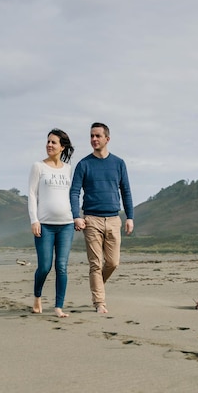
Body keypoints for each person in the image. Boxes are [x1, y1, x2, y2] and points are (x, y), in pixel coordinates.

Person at [70, 122, 134, 314]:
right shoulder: (84, 164)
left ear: (107, 138)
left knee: (113, 263)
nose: (94, 139)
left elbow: (126, 191)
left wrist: (130, 217)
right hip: (91, 220)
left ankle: (97, 286)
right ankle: (100, 302)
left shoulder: (119, 163)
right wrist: (76, 216)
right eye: (91, 136)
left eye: (98, 136)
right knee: (95, 264)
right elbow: (74, 192)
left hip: (114, 219)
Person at [28, 128, 75, 318]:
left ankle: (58, 307)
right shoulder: (38, 166)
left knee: (62, 266)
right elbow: (32, 195)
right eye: (48, 141)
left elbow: (74, 195)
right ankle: (37, 296)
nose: (49, 145)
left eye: (53, 142)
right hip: (45, 225)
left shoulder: (69, 169)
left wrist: (78, 216)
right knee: (45, 266)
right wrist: (34, 220)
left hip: (66, 224)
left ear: (62, 147)